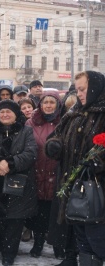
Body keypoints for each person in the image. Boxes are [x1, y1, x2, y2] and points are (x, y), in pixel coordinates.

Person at [45, 71, 105, 266]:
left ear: (95, 88)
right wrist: (53, 145)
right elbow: (56, 135)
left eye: (83, 89)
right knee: (83, 241)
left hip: (98, 191)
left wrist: (99, 163)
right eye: (77, 89)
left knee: (98, 240)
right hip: (75, 191)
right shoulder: (73, 113)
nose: (78, 93)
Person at [0, 100, 37, 266]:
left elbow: (30, 153)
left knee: (14, 222)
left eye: (8, 112)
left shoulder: (27, 131)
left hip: (17, 183)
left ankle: (9, 254)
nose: (4, 115)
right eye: (1, 112)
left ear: (16, 114)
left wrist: (9, 164)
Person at [25, 91, 63, 258]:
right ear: (40, 105)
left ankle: (58, 245)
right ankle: (38, 243)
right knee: (39, 212)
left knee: (57, 212)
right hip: (36, 172)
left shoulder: (64, 122)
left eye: (52, 102)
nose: (48, 105)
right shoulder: (31, 123)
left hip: (57, 173)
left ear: (58, 105)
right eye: (45, 102)